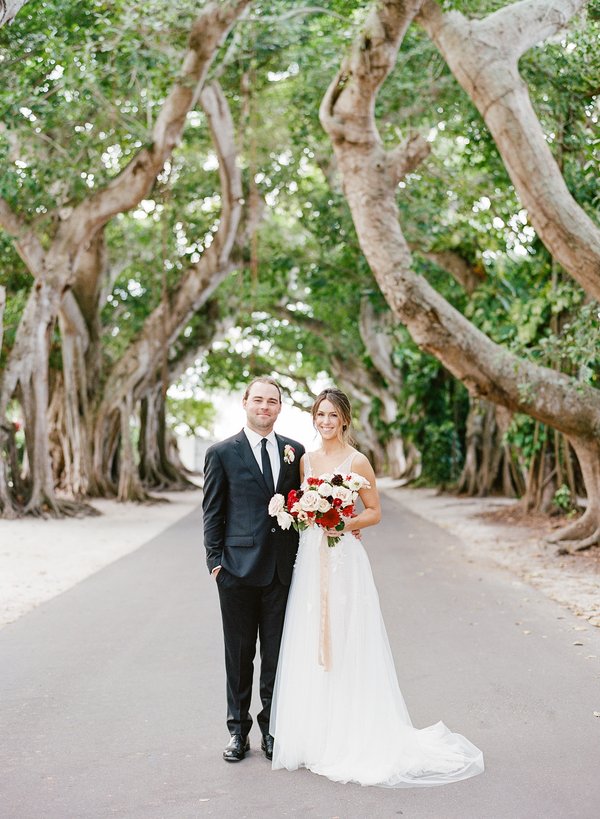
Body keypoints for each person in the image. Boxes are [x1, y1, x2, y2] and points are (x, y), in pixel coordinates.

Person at [270, 387, 484, 787]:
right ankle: (316, 736)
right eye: (320, 415)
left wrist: (341, 523)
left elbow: (374, 512)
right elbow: (302, 503)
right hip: (311, 556)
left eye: (333, 416)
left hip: (344, 558)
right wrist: (306, 514)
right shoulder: (306, 460)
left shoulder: (358, 460)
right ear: (313, 418)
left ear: (345, 419)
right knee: (310, 634)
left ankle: (355, 734)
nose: (326, 422)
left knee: (349, 637)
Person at [203, 377, 305, 763]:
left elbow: (304, 506)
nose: (265, 407)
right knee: (240, 656)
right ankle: (237, 732)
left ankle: (273, 730)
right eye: (258, 400)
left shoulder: (296, 451)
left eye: (273, 401)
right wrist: (216, 564)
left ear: (280, 408)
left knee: (277, 657)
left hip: (282, 571)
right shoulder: (221, 453)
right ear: (245, 402)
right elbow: (212, 512)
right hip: (236, 573)